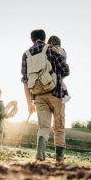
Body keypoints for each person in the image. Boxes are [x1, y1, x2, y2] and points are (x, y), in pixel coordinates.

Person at [21, 29, 70, 164]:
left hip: (38, 96)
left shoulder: (26, 54)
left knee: (44, 127)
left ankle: (40, 156)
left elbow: (25, 81)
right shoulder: (51, 49)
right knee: (59, 127)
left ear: (32, 40)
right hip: (56, 93)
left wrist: (29, 103)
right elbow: (65, 70)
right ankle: (59, 161)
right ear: (45, 38)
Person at [47, 35, 71, 104]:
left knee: (61, 82)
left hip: (60, 69)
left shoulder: (59, 49)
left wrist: (57, 51)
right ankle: (66, 95)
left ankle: (66, 95)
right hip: (61, 69)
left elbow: (64, 54)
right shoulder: (58, 48)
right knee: (61, 82)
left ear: (51, 43)